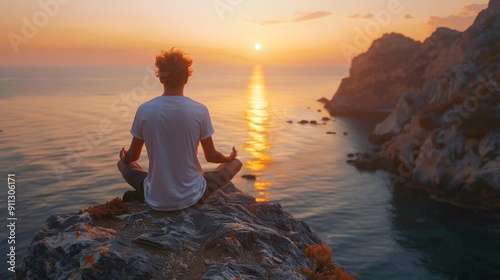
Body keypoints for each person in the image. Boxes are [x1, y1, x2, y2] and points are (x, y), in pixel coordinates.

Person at [117, 47, 242, 211]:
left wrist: (125, 158)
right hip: (193, 196)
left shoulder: (144, 110)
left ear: (160, 78)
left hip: (155, 196)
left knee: (122, 164)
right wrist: (228, 157)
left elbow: (133, 155)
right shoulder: (200, 110)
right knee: (236, 163)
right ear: (186, 78)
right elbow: (211, 156)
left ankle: (146, 193)